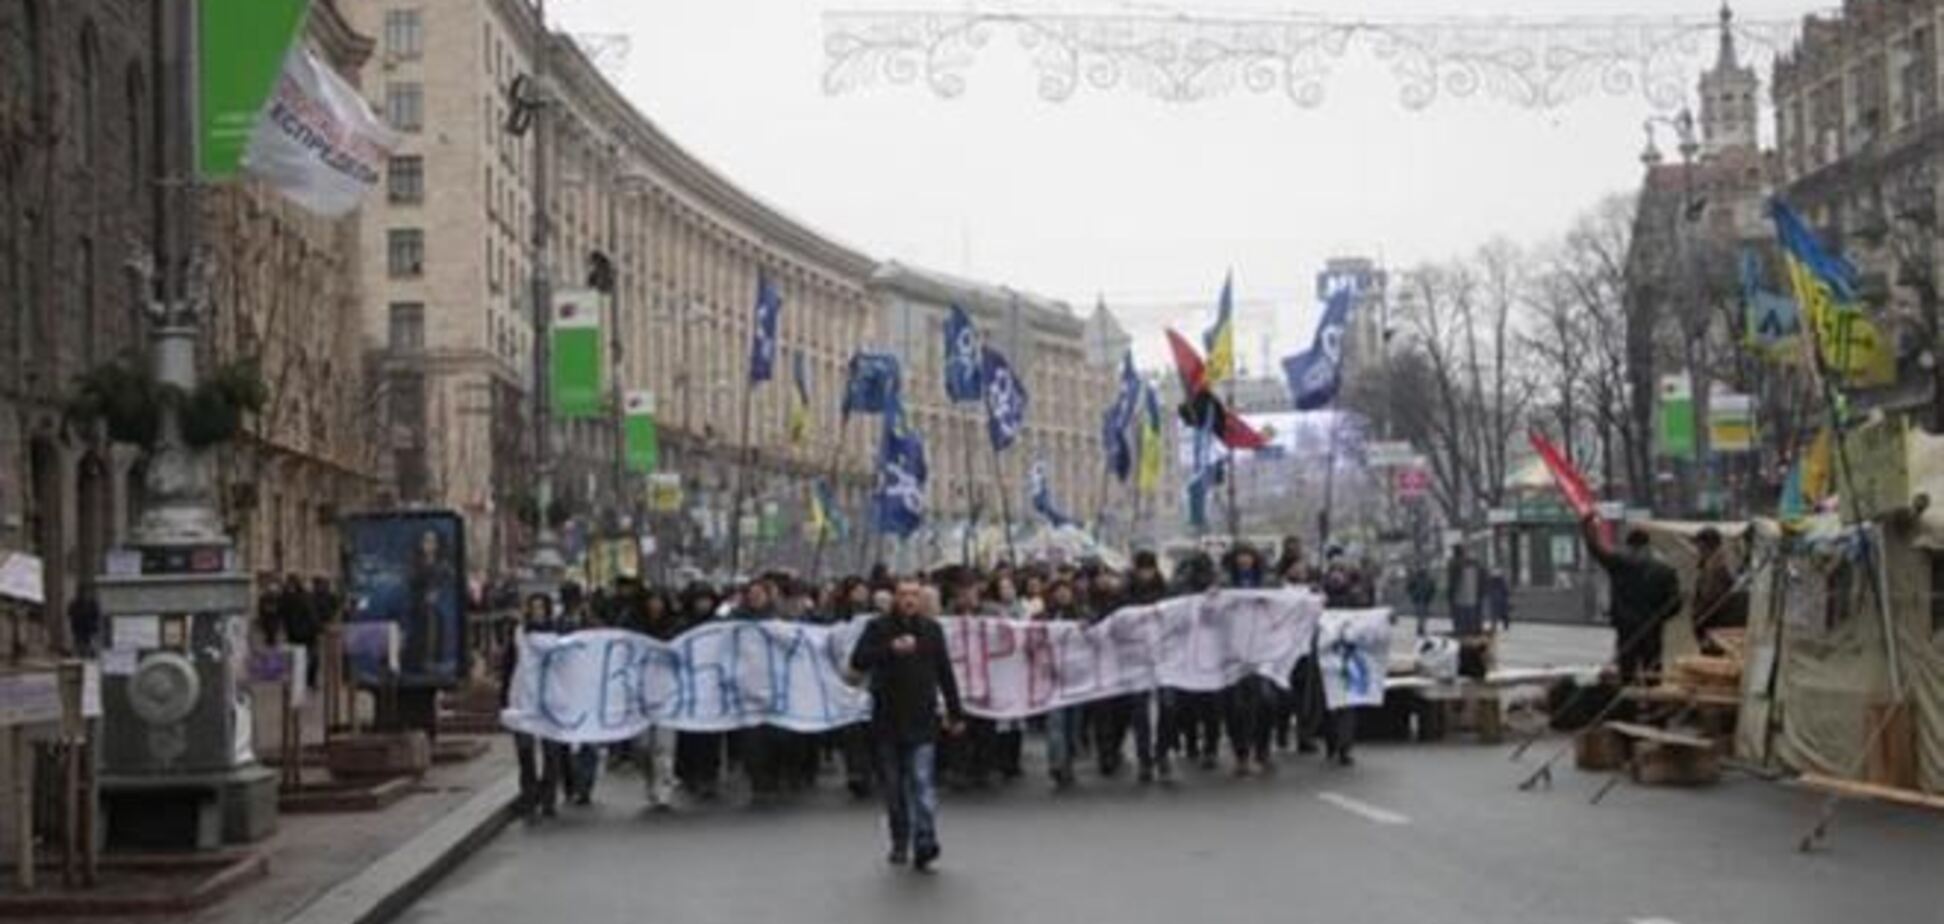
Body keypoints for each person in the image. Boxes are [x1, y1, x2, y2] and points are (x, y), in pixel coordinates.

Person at [850, 578, 965, 872]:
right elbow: (859, 661)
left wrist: (956, 712)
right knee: (894, 787)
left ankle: (925, 840)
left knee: (922, 781)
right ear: (894, 599)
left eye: (915, 595)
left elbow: (945, 673)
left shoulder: (931, 630)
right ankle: (900, 839)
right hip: (887, 720)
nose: (910, 600)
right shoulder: (878, 629)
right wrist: (890, 649)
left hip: (922, 718)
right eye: (904, 595)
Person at [1581, 516, 1682, 684]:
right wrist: (1658, 618)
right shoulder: (1665, 569)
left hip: (1626, 628)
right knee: (1653, 671)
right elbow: (1675, 603)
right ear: (1648, 544)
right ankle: (1654, 706)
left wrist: (1587, 528)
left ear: (1629, 545)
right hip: (1652, 629)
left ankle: (1629, 705)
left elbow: (1596, 550)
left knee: (1627, 671)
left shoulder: (1620, 563)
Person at [502, 592, 569, 819]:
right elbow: (508, 665)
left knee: (551, 753)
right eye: (534, 607)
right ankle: (529, 797)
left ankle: (548, 799)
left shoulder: (560, 637)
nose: (537, 612)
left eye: (542, 607)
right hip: (523, 698)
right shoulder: (519, 634)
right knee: (525, 752)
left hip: (551, 700)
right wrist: (504, 699)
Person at [1039, 577, 1088, 789]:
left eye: (1066, 591)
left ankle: (1068, 762)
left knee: (1072, 723)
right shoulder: (1043, 617)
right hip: (1051, 677)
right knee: (1056, 722)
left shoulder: (1082, 615)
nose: (1062, 595)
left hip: (1075, 678)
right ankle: (1056, 763)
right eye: (1058, 591)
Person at [1690, 527, 1744, 653]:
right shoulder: (1712, 563)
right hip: (1711, 622)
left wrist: (1699, 617)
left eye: (1699, 545)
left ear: (1707, 545)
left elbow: (1711, 597)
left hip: (1715, 623)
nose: (1698, 549)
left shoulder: (1717, 566)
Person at [68, 586, 101, 657]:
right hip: (81, 627)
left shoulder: (91, 603)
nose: (84, 595)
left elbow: (96, 615)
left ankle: (86, 653)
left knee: (85, 641)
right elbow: (70, 614)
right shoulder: (75, 603)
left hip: (86, 627)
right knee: (81, 641)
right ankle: (83, 653)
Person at [1406, 564, 1436, 637]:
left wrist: (1412, 595)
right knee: (1422, 615)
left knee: (1421, 615)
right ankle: (1421, 628)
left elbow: (1408, 588)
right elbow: (1409, 588)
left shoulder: (1425, 580)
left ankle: (1421, 628)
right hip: (1421, 599)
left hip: (1422, 599)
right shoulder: (1426, 580)